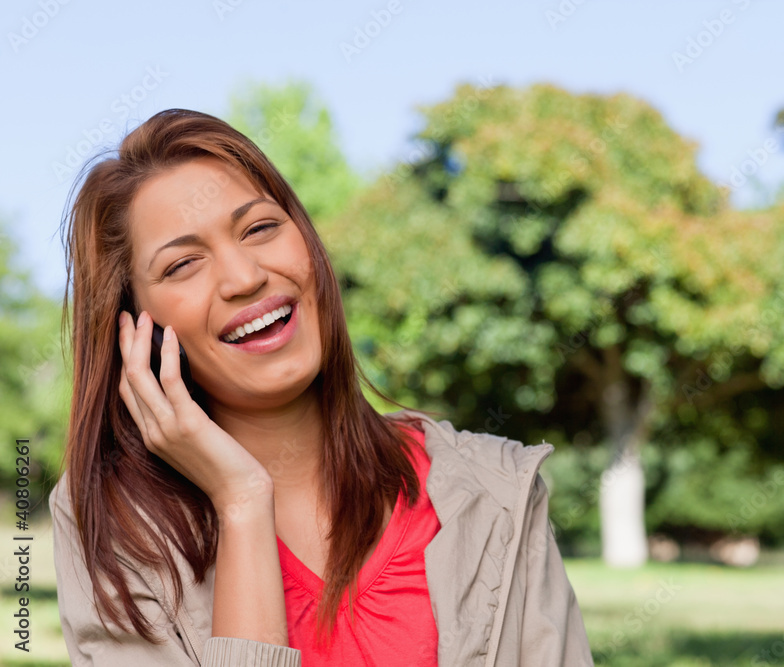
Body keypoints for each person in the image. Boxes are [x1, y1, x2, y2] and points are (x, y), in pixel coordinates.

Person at [48, 108, 594, 666]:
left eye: (260, 228)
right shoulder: (110, 525)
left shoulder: (495, 490)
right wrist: (241, 502)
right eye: (184, 263)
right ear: (134, 326)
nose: (245, 277)